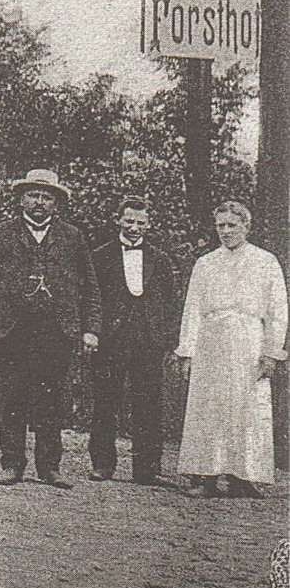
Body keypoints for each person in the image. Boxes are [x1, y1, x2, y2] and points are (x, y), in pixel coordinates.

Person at [0, 168, 102, 489]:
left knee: (52, 401)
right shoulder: (0, 235)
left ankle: (50, 467)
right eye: (33, 195)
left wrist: (90, 329)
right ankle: (11, 464)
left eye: (46, 197)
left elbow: (89, 287)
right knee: (12, 399)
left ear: (57, 203)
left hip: (56, 332)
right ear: (21, 199)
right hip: (13, 330)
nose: (39, 202)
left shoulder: (72, 237)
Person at [173, 201, 288, 499]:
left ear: (246, 227)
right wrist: (187, 350)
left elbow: (277, 310)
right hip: (211, 341)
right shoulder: (205, 263)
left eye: (231, 225)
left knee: (247, 407)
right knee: (208, 407)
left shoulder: (265, 261)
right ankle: (205, 476)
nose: (225, 231)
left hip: (249, 341)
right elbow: (192, 309)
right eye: (220, 225)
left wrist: (272, 351)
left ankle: (244, 476)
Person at [88, 195, 183, 485]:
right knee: (106, 401)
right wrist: (94, 331)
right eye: (129, 220)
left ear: (149, 225)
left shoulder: (160, 258)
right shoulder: (100, 255)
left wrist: (167, 339)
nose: (134, 227)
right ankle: (103, 465)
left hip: (147, 341)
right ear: (118, 220)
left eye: (141, 222)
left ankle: (147, 469)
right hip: (111, 340)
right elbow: (92, 297)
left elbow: (170, 302)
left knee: (149, 404)